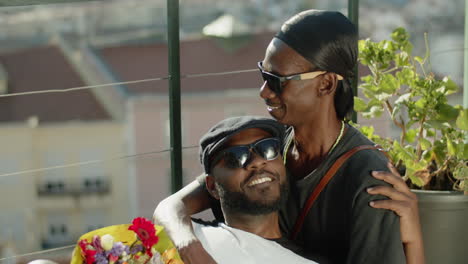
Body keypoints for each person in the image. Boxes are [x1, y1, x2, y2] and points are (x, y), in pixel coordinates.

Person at [154, 9, 425, 264]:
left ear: (326, 84)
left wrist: (413, 241)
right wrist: (187, 245)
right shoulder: (269, 147)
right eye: (264, 74)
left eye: (277, 81)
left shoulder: (369, 178)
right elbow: (171, 208)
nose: (264, 91)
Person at [191, 116, 315, 263]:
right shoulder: (188, 242)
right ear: (212, 187)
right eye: (235, 157)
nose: (257, 162)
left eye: (268, 148)